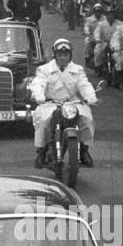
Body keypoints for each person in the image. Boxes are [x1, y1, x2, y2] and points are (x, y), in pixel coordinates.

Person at [30, 38, 98, 168]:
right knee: (43, 120)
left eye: (66, 55)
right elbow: (38, 83)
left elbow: (84, 85)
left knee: (86, 118)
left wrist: (90, 96)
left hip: (72, 103)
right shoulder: (44, 69)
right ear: (55, 55)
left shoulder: (77, 69)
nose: (63, 57)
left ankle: (83, 148)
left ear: (70, 55)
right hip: (50, 103)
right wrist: (38, 95)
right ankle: (43, 150)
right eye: (60, 54)